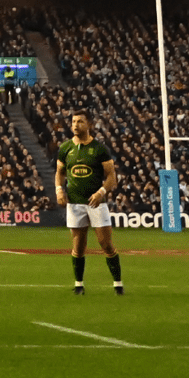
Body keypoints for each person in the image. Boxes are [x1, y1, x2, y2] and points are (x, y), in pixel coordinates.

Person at [54, 111, 122, 295]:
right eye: (74, 121)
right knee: (78, 245)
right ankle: (79, 285)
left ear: (88, 124)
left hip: (96, 203)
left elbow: (111, 176)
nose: (76, 125)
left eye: (80, 121)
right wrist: (59, 190)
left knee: (105, 244)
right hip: (74, 203)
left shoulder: (99, 149)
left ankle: (118, 283)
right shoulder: (65, 148)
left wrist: (101, 192)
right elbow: (60, 172)